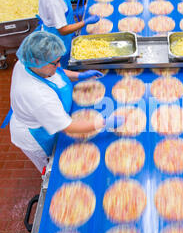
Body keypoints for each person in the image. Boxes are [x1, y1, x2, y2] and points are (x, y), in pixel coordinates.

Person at [3, 31, 123, 173]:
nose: (59, 65)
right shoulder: (37, 95)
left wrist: (79, 75)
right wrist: (103, 123)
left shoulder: (28, 62)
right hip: (37, 134)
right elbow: (68, 127)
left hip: (40, 112)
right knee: (49, 165)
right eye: (56, 62)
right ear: (38, 62)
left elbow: (56, 72)